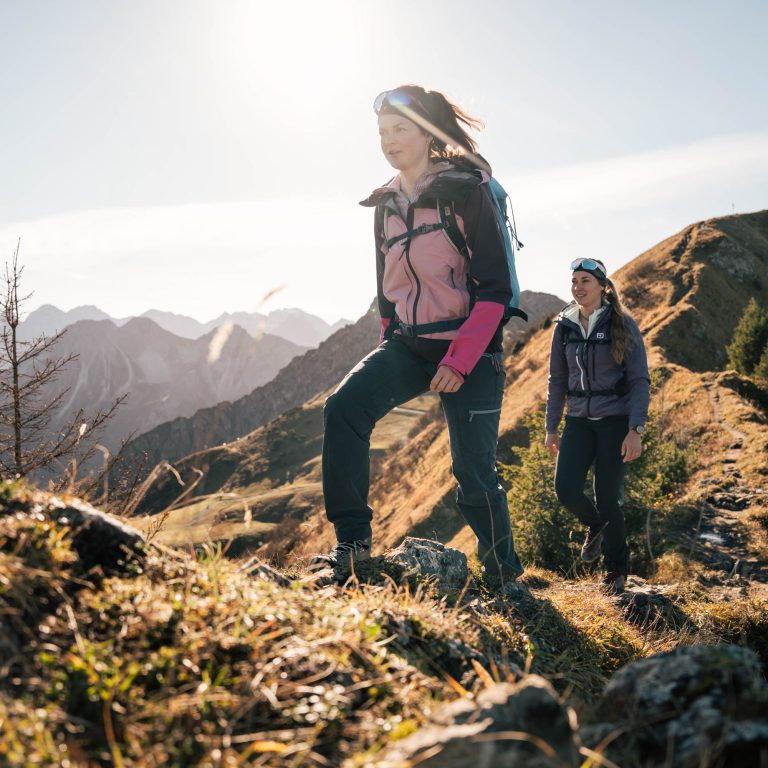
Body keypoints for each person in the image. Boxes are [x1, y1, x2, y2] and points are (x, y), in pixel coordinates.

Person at [310, 84, 524, 582]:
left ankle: (505, 577)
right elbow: (386, 287)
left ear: (427, 133)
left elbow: (494, 289)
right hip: (408, 344)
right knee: (343, 409)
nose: (389, 140)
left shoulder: (466, 192)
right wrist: (390, 337)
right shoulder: (386, 204)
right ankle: (353, 545)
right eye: (383, 132)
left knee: (473, 474)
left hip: (472, 352)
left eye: (400, 129)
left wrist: (459, 361)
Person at [544, 259, 650, 594]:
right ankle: (595, 527)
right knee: (566, 490)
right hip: (578, 420)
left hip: (614, 422)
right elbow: (557, 380)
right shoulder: (564, 326)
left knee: (607, 499)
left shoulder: (622, 324)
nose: (577, 286)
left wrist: (635, 429)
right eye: (574, 280)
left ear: (602, 286)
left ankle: (616, 570)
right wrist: (551, 427)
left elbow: (639, 380)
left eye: (585, 280)